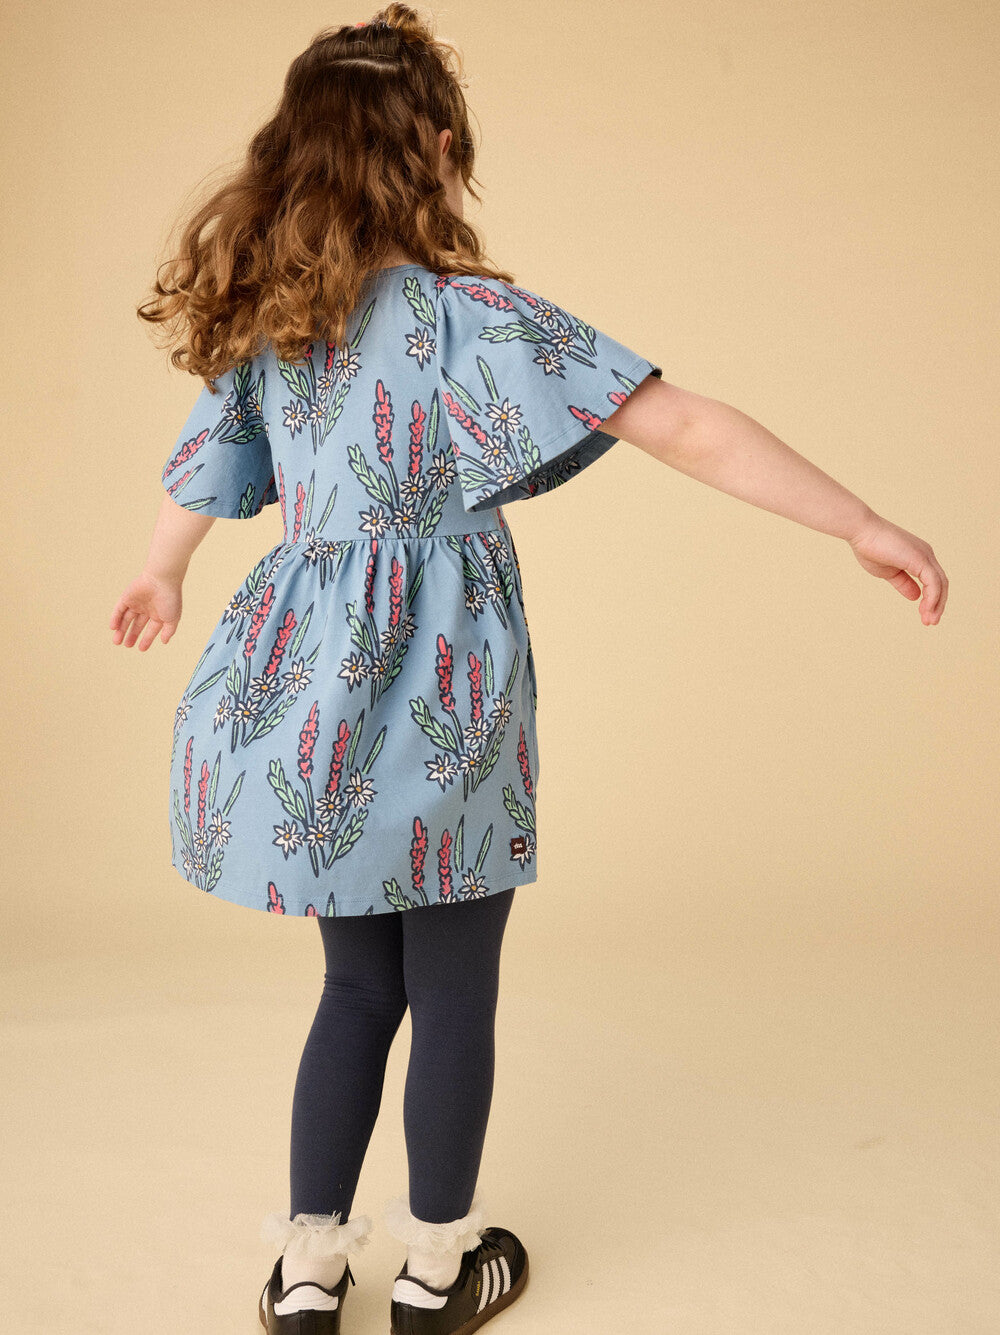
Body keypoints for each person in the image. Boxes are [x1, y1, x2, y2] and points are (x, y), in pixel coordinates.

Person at [109, 6, 948, 1334]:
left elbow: (200, 478)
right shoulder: (472, 319)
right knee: (452, 992)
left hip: (315, 696)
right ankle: (437, 1272)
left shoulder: (280, 325)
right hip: (444, 696)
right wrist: (859, 522)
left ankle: (308, 1272)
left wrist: (162, 575)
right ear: (439, 150)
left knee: (353, 989)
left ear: (295, 158)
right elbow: (687, 427)